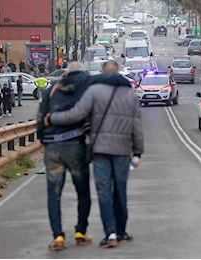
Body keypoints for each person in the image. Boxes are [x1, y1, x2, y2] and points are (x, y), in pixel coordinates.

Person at [45, 63, 144, 249]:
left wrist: (52, 119)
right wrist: (138, 151)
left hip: (100, 149)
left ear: (102, 74)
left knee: (104, 192)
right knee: (120, 190)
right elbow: (137, 126)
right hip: (122, 150)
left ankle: (110, 233)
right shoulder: (130, 94)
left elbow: (77, 114)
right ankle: (122, 231)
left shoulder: (93, 91)